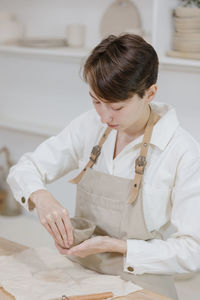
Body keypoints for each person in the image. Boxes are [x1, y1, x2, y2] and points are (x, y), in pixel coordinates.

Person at [7, 34, 200, 300]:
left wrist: (116, 246)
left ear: (150, 93)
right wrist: (40, 197)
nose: (104, 116)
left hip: (142, 281)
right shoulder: (90, 125)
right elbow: (24, 169)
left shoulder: (182, 151)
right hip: (81, 271)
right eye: (96, 101)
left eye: (116, 106)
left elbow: (193, 251)